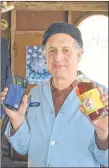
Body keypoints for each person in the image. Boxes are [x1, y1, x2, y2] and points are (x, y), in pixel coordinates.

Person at [1, 22, 108, 167]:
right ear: (45, 55)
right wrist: (17, 121)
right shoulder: (35, 93)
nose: (58, 57)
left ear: (79, 54)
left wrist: (103, 134)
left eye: (66, 50)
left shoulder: (102, 96)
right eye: (51, 50)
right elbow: (24, 148)